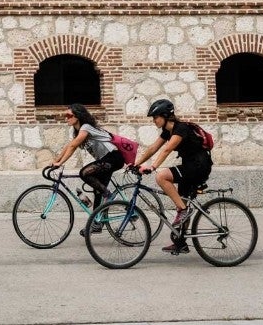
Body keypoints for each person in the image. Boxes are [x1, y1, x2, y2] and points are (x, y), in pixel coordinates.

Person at [132, 97, 212, 253]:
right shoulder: (167, 131)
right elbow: (152, 149)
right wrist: (136, 163)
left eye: (155, 117)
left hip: (198, 166)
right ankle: (181, 243)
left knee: (161, 177)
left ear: (165, 115)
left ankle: (183, 210)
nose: (154, 120)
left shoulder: (180, 128)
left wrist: (153, 167)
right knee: (182, 202)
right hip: (191, 166)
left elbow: (167, 150)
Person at [47, 103, 123, 235]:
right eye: (65, 115)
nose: (66, 118)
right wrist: (56, 161)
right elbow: (69, 145)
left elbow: (73, 146)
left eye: (69, 115)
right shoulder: (78, 131)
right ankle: (97, 223)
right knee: (98, 191)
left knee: (84, 173)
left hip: (113, 157)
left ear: (77, 116)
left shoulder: (86, 127)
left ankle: (109, 196)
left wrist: (60, 163)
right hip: (105, 160)